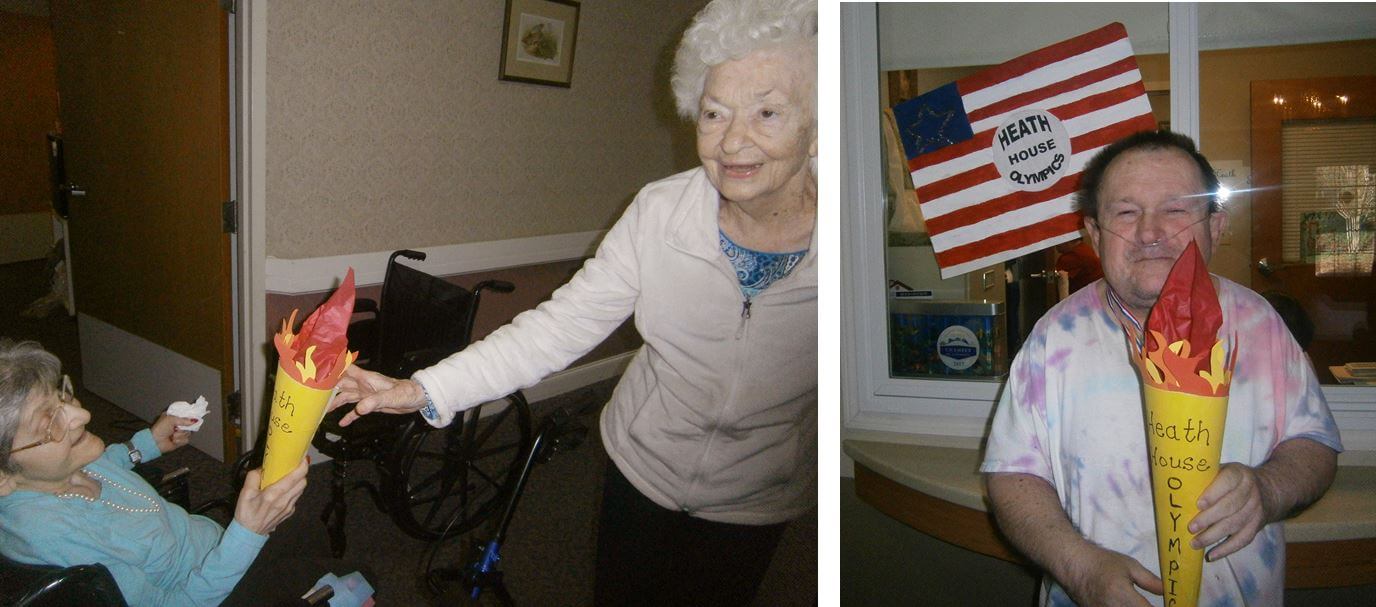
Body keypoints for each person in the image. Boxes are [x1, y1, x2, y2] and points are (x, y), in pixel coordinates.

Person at [333, 0, 816, 604]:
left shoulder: (846, 241)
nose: (733, 141)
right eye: (714, 114)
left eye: (768, 111)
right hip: (643, 469)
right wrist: (419, 390)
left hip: (759, 495)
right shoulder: (658, 213)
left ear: (816, 123)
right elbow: (556, 328)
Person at [981, 131, 1342, 606]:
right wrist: (1082, 568)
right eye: (1126, 212)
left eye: (1175, 210)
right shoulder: (1053, 339)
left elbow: (1315, 444)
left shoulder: (1261, 325)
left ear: (1216, 227)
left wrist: (1268, 488)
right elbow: (1010, 476)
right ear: (1094, 233)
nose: (1149, 233)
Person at [0, 339, 310, 606]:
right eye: (48, 423)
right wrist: (248, 533)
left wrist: (145, 444)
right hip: (216, 589)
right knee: (325, 562)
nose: (82, 414)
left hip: (210, 544)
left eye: (62, 395)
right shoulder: (55, 537)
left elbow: (105, 462)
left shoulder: (53, 472)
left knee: (307, 533)